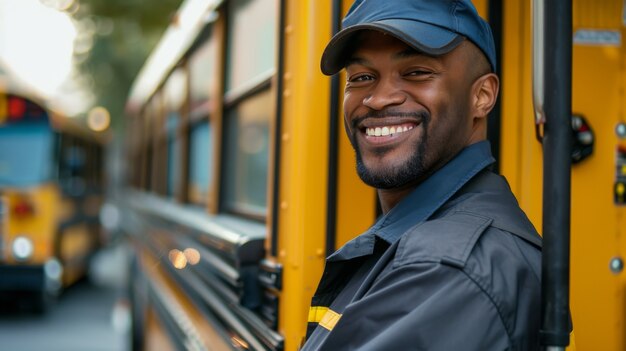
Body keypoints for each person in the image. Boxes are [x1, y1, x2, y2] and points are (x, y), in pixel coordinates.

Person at [301, 0, 542, 350]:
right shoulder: (424, 244)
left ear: (482, 95)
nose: (379, 98)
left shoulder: (447, 271)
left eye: (416, 72)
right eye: (362, 77)